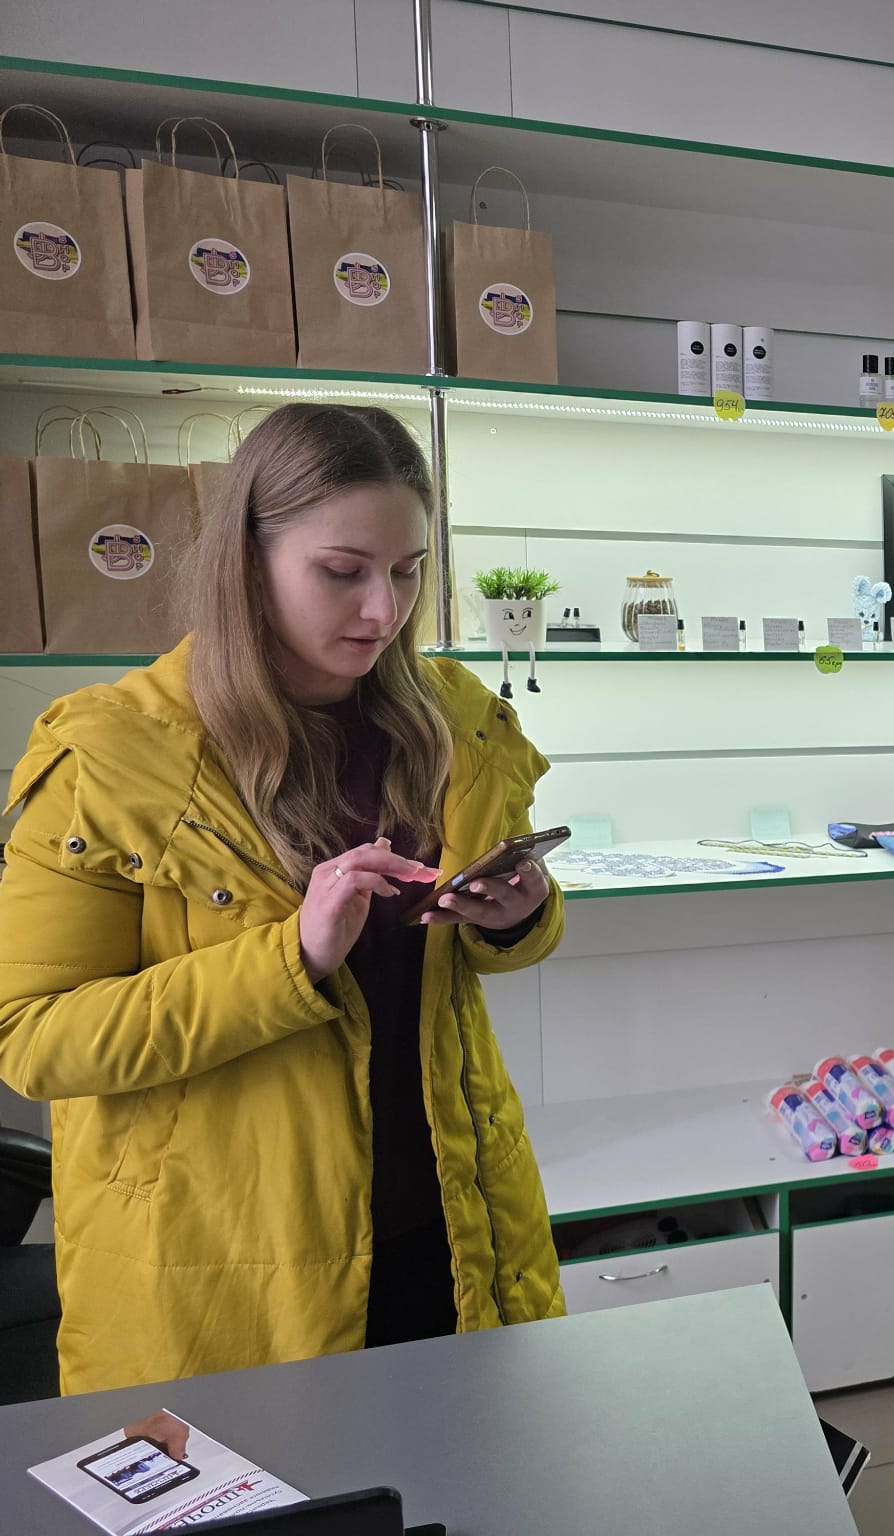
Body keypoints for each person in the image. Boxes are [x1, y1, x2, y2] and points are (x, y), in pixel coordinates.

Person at [0, 403, 565, 1395]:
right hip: (226, 1271)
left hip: (454, 1227)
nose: (384, 612)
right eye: (342, 572)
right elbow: (36, 1039)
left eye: (408, 571)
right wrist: (290, 958)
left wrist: (518, 917)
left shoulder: (456, 723)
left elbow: (462, 962)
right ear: (247, 562)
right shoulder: (109, 756)